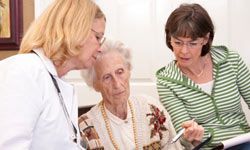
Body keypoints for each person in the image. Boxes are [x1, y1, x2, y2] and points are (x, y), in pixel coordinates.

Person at [0, 0, 105, 149]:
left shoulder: (56, 81)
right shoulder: (23, 72)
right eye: (98, 37)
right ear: (76, 29)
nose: (100, 48)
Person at [156, 3, 250, 150]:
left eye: (192, 43)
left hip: (244, 141)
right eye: (178, 42)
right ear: (169, 39)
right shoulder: (166, 81)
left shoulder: (231, 59)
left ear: (205, 39)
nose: (184, 51)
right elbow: (184, 139)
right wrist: (191, 138)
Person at [78, 40, 204, 150]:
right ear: (95, 84)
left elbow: (173, 147)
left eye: (120, 72)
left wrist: (187, 141)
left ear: (129, 71)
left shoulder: (152, 108)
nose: (117, 84)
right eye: (107, 77)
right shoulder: (85, 127)